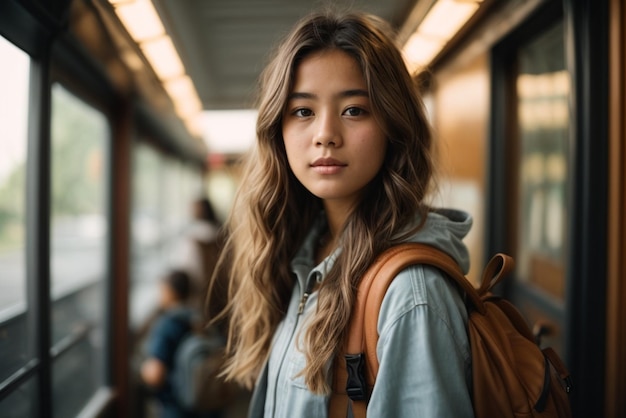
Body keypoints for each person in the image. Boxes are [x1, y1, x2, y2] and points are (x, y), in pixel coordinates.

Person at [208, 11, 474, 418]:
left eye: (354, 110)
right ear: (277, 130)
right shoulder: (305, 254)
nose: (325, 134)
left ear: (394, 125)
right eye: (302, 111)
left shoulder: (409, 293)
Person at [141, 269, 220, 418]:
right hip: (206, 406)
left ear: (170, 291)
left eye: (162, 289)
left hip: (178, 408)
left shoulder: (167, 324)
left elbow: (155, 374)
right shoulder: (198, 318)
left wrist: (142, 370)